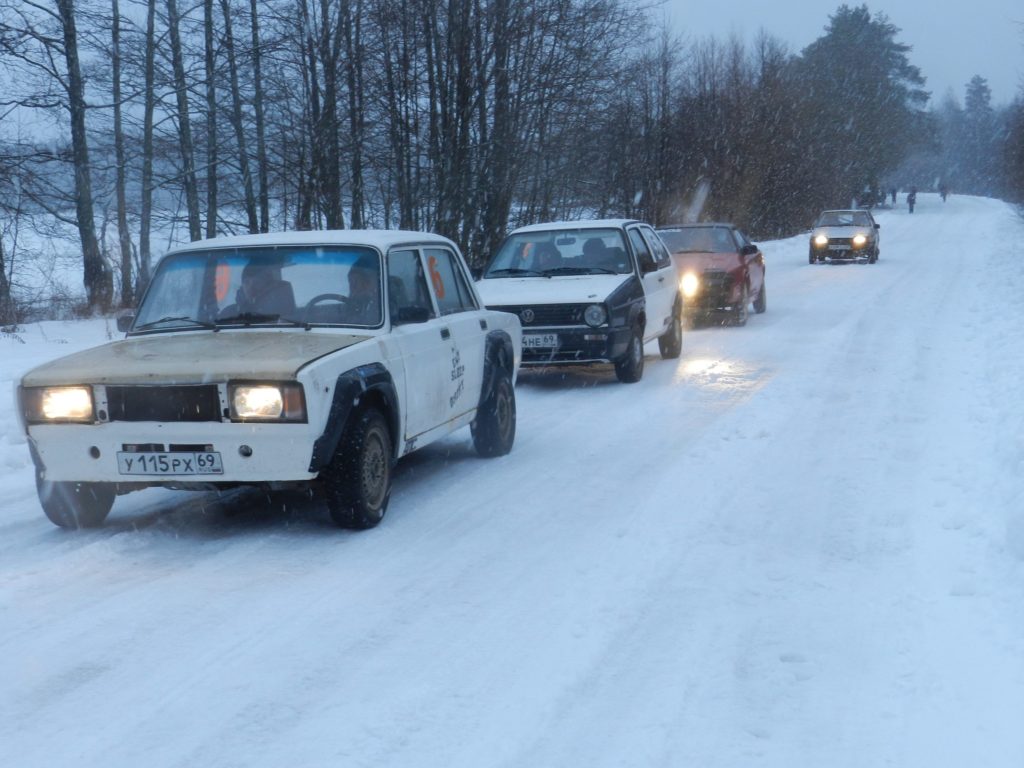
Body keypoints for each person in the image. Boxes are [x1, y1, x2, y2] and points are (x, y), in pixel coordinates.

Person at [345, 254, 381, 324]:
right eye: (350, 282)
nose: (352, 287)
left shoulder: (381, 306)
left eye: (356, 282)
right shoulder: (357, 304)